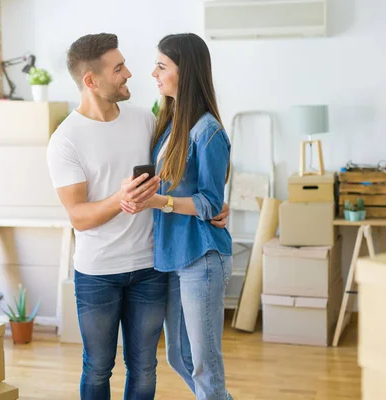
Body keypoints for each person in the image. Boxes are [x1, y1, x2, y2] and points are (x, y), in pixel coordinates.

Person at [47, 33, 229, 400]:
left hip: (153, 265)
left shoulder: (148, 121)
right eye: (119, 68)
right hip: (106, 270)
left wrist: (213, 207)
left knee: (149, 367)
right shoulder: (67, 139)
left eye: (158, 65)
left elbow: (194, 186)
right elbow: (78, 216)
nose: (133, 73)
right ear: (91, 80)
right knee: (104, 366)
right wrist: (126, 200)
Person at [121, 33, 234, 400]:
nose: (153, 73)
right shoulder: (168, 124)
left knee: (204, 364)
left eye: (162, 65)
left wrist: (157, 202)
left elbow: (210, 204)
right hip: (172, 256)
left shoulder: (208, 131)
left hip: (201, 257)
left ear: (186, 73)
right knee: (179, 357)